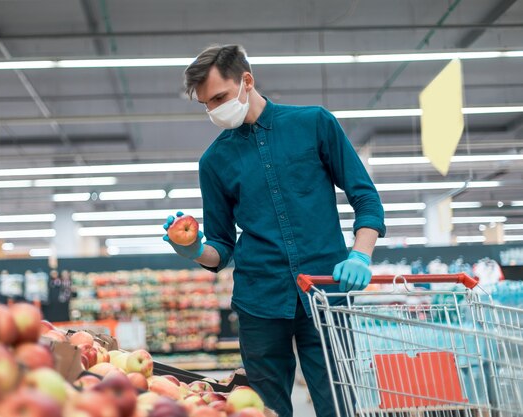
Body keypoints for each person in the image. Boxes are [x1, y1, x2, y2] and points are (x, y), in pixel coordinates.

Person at [162, 44, 385, 417]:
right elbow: (221, 246)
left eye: (219, 97)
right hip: (259, 300)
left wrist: (361, 254)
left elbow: (365, 198)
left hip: (325, 293)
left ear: (246, 81)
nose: (215, 110)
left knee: (339, 403)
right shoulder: (214, 161)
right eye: (206, 104)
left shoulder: (314, 124)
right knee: (265, 411)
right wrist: (194, 249)